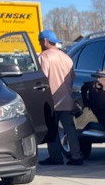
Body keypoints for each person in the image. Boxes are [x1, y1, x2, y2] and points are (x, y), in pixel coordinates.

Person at [36, 29, 83, 166]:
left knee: (52, 130)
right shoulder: (66, 57)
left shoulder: (44, 57)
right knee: (70, 129)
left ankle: (56, 157)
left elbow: (41, 79)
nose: (39, 44)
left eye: (40, 41)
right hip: (67, 100)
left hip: (51, 101)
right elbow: (72, 78)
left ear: (45, 41)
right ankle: (76, 156)